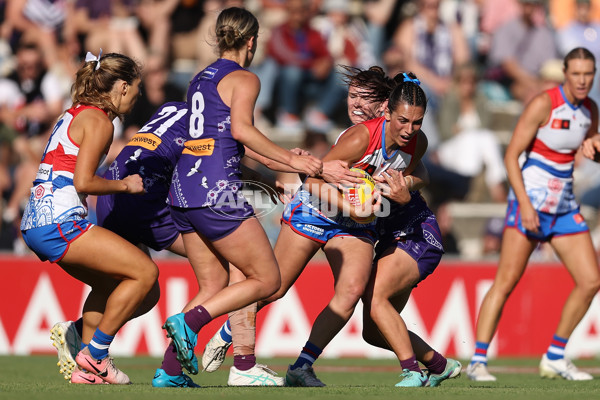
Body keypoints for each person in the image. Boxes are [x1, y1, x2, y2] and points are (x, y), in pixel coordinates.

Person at [202, 67, 460, 388]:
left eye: (363, 98)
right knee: (273, 287)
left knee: (350, 294)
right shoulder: (360, 136)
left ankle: (302, 367)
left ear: (383, 105)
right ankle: (228, 330)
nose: (353, 104)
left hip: (357, 223)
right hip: (317, 210)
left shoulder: (413, 141)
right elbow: (311, 182)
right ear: (389, 113)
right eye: (351, 96)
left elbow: (419, 173)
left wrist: (405, 186)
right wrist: (354, 206)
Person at [155, 6, 323, 387]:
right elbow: (243, 132)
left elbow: (221, 140)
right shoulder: (244, 78)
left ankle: (170, 371)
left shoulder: (200, 78)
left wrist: (267, 175)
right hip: (217, 191)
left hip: (183, 191)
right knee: (265, 279)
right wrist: (290, 159)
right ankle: (199, 330)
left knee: (213, 285)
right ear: (252, 40)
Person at [19, 50, 158, 385]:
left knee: (125, 290)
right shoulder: (99, 121)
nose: (136, 99)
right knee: (145, 272)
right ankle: (96, 356)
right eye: (136, 90)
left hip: (38, 221)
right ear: (122, 87)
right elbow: (84, 182)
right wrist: (125, 185)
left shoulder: (76, 113)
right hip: (60, 221)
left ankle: (81, 351)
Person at [466, 47, 600, 382]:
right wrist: (524, 204)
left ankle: (555, 356)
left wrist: (594, 150)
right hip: (530, 203)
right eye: (577, 74)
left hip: (564, 206)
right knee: (506, 282)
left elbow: (591, 149)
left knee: (591, 281)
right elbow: (512, 155)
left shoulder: (590, 110)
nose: (583, 81)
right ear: (566, 74)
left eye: (589, 74)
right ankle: (477, 361)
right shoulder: (544, 103)